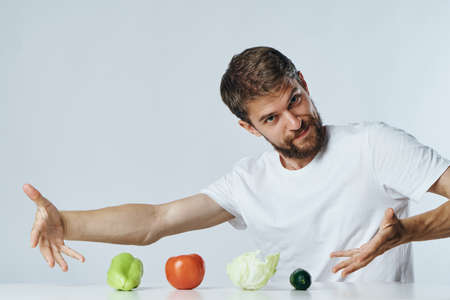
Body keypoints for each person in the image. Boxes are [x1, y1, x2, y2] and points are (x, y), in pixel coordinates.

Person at [26, 47, 449, 286]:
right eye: (271, 118)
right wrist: (65, 223)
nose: (295, 122)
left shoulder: (374, 145)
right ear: (249, 128)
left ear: (304, 82)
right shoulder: (249, 183)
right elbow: (156, 220)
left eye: (295, 100)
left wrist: (407, 232)